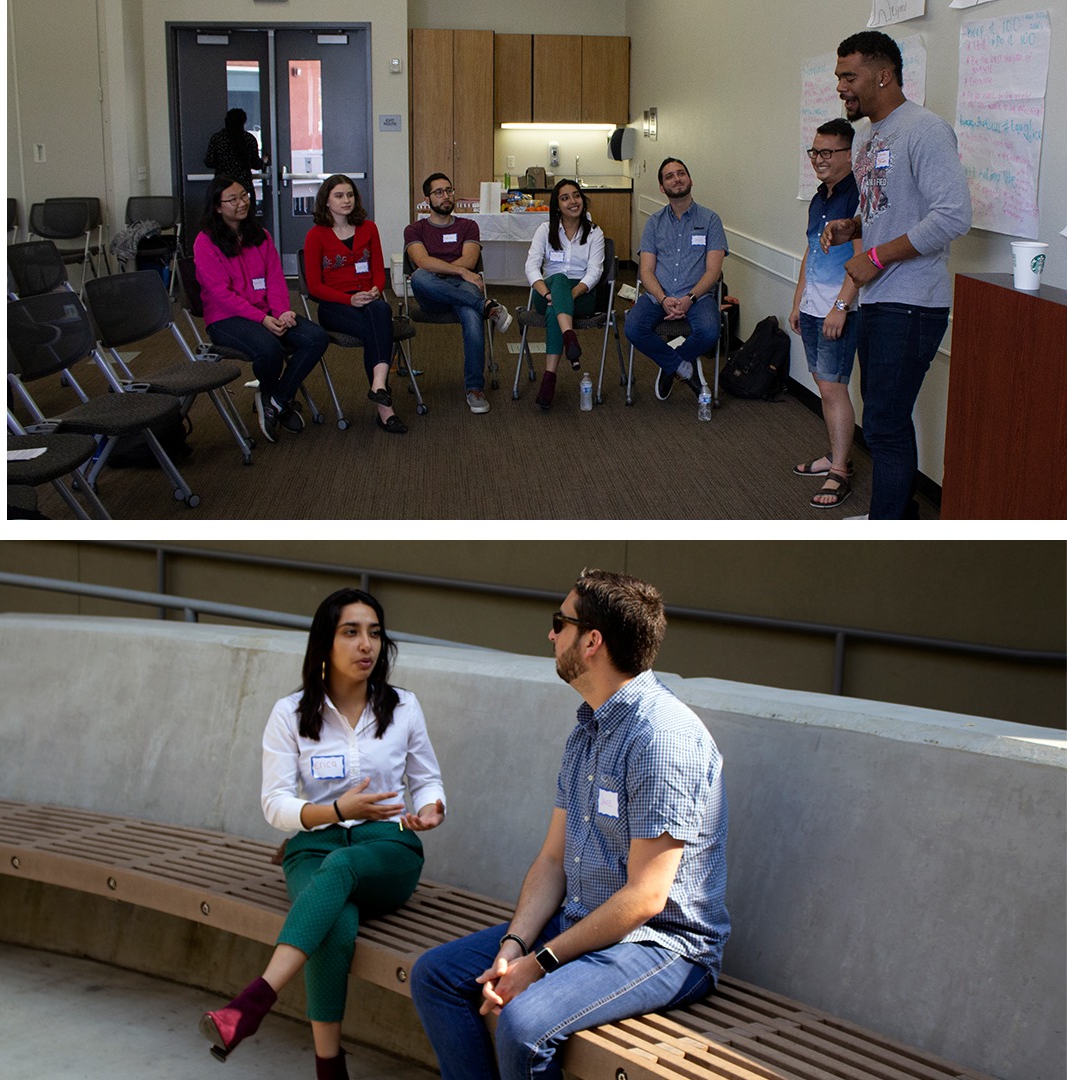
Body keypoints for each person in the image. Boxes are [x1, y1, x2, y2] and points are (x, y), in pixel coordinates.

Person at [410, 570, 728, 1080]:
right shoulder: (588, 729)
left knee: (523, 1023)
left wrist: (538, 965)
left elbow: (648, 897)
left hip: (662, 947)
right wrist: (513, 947)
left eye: (560, 623)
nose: (551, 635)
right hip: (581, 922)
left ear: (592, 641)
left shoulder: (660, 739)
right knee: (437, 976)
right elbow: (553, 860)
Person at [200, 588, 445, 1079]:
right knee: (334, 927)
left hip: (386, 847)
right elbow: (275, 804)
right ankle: (329, 1068)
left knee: (342, 868)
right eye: (351, 632)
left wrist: (431, 808)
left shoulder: (404, 707)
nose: (366, 645)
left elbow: (427, 779)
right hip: (313, 845)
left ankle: (253, 1003)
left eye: (374, 633)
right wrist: (334, 810)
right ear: (324, 644)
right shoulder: (289, 714)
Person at [824, 30, 971, 520]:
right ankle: (898, 514)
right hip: (882, 299)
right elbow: (893, 210)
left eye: (850, 76)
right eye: (839, 76)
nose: (842, 86)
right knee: (883, 419)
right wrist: (854, 225)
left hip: (912, 301)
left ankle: (887, 528)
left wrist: (877, 257)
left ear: (883, 75)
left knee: (884, 426)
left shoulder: (926, 130)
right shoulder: (869, 136)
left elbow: (952, 216)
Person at [193, 175, 329, 443]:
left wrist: (281, 311)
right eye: (232, 200)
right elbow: (220, 293)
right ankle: (274, 395)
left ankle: (275, 398)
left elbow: (275, 278)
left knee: (316, 337)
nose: (242, 203)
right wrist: (262, 319)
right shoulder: (205, 241)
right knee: (270, 349)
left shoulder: (261, 235)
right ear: (217, 206)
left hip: (268, 313)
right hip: (226, 319)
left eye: (244, 195)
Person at [789, 118, 864, 510]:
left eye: (827, 153)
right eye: (815, 151)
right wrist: (799, 299)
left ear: (850, 155)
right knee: (823, 384)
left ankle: (840, 472)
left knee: (835, 387)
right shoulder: (821, 197)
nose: (818, 159)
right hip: (813, 306)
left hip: (840, 309)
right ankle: (838, 456)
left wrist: (840, 306)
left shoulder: (857, 198)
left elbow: (861, 259)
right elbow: (810, 252)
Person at [406, 172, 515, 415]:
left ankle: (475, 389)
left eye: (449, 190)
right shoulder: (414, 229)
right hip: (432, 296)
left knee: (471, 314)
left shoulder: (468, 226)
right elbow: (422, 262)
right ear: (427, 199)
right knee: (422, 276)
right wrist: (459, 272)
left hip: (463, 288)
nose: (445, 196)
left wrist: (456, 271)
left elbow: (470, 259)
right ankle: (488, 306)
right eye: (439, 192)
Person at [302, 174, 404, 434]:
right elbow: (314, 286)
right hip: (334, 305)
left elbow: (378, 269)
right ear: (326, 201)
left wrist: (375, 289)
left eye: (350, 195)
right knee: (379, 325)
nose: (346, 200)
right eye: (339, 195)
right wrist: (348, 298)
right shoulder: (316, 236)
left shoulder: (369, 228)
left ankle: (379, 390)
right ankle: (384, 404)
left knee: (380, 310)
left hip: (368, 300)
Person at [626, 158, 728, 401]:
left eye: (681, 173)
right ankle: (682, 366)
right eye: (669, 176)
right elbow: (646, 271)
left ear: (690, 179)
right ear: (662, 187)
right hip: (657, 296)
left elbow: (713, 271)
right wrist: (663, 299)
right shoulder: (654, 223)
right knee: (633, 327)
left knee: (710, 331)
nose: (677, 179)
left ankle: (669, 363)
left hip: (698, 297)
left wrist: (690, 298)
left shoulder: (710, 220)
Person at [522, 178, 606, 410]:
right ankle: (569, 337)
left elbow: (595, 271)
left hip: (583, 294)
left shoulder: (594, 232)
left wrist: (570, 294)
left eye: (576, 195)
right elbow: (531, 267)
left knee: (555, 309)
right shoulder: (545, 230)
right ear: (556, 205)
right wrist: (549, 294)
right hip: (546, 289)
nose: (573, 201)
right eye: (565, 197)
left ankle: (549, 377)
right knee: (558, 280)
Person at [204, 108, 265, 183]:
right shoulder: (249, 139)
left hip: (223, 183)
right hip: (243, 182)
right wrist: (264, 161)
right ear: (244, 122)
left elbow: (209, 162)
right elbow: (256, 164)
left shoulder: (218, 138)